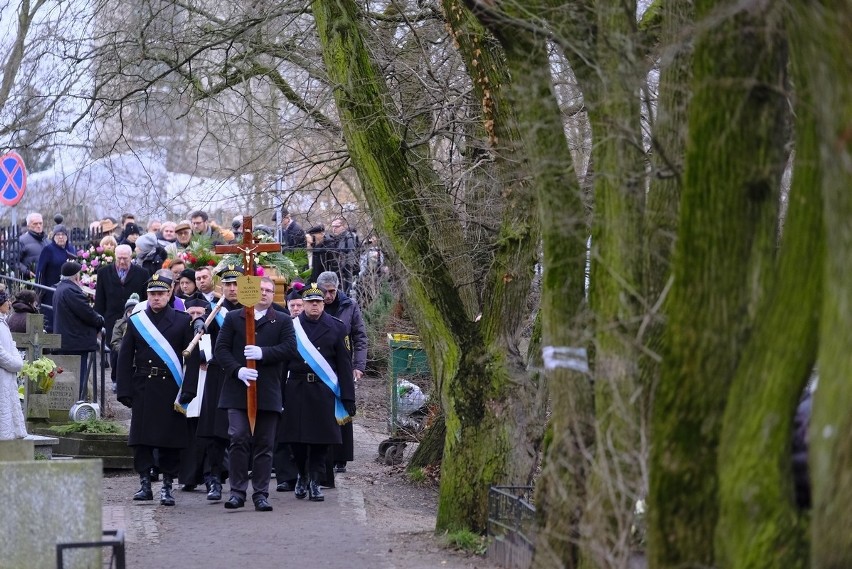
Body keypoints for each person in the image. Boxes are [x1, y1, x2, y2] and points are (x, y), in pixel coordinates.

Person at [116, 273, 201, 506]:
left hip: (170, 388)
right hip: (143, 386)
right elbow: (125, 358)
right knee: (141, 440)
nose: (156, 298)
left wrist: (189, 389)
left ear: (169, 294)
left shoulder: (183, 321)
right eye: (152, 294)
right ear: (147, 296)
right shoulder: (137, 321)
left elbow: (192, 359)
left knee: (169, 440)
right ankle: (144, 484)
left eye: (161, 294)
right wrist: (124, 389)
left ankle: (167, 487)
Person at [214, 276, 296, 511]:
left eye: (269, 290)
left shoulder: (281, 320)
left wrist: (264, 353)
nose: (265, 293)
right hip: (237, 389)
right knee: (238, 437)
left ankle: (260, 493)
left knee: (264, 443)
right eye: (260, 289)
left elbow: (290, 348)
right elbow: (221, 350)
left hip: (268, 390)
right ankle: (237, 492)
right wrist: (237, 370)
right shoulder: (234, 318)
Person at [279, 284, 356, 502]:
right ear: (302, 304)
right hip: (296, 388)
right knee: (297, 440)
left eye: (319, 302)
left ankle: (315, 481)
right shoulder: (291, 326)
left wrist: (348, 397)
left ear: (324, 304)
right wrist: (279, 393)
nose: (315, 305)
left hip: (323, 391)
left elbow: (344, 365)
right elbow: (283, 363)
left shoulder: (337, 328)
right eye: (310, 301)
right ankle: (302, 476)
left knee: (321, 441)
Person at [194, 264, 243, 501]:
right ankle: (214, 479)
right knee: (216, 432)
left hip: (243, 375)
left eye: (236, 284)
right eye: (227, 284)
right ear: (221, 287)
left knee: (242, 432)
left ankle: (241, 481)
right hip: (219, 376)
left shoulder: (251, 310)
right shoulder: (213, 312)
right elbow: (202, 335)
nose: (232, 289)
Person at [317, 270, 367, 477]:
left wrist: (359, 366)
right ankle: (324, 452)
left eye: (332, 291)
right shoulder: (313, 303)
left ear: (338, 288)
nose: (328, 296)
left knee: (343, 407)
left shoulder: (349, 305)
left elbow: (360, 336)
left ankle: (341, 456)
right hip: (321, 362)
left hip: (343, 364)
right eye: (324, 292)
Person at [94, 244, 149, 390]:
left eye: (125, 258)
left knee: (133, 348)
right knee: (116, 349)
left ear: (131, 257)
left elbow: (145, 297)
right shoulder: (104, 272)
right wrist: (98, 321)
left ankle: (132, 378)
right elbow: (100, 298)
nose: (122, 261)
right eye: (119, 258)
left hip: (135, 316)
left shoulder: (142, 273)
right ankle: (116, 380)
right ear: (114, 257)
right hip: (112, 317)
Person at [52, 262, 105, 401]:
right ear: (75, 276)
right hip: (75, 342)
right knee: (77, 380)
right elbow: (87, 313)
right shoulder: (71, 291)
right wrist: (100, 320)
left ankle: (73, 405)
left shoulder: (61, 289)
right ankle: (77, 407)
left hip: (69, 341)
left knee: (70, 379)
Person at [273, 288, 307, 492]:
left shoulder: (311, 326)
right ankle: (286, 476)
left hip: (302, 383)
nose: (295, 309)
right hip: (282, 382)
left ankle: (306, 474)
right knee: (283, 432)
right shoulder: (282, 324)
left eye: (299, 305)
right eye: (292, 305)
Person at [35, 224, 78, 331]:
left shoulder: (71, 249)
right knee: (52, 321)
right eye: (57, 234)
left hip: (69, 291)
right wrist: (39, 290)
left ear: (67, 237)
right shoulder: (48, 250)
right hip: (51, 291)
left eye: (63, 234)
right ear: (53, 237)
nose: (60, 237)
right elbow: (40, 271)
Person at [0, 291, 27, 440]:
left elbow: (12, 345)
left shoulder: (4, 322)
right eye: (7, 301)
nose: (9, 304)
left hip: (7, 374)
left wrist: (18, 361)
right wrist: (15, 363)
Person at [309, 217, 357, 293]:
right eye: (333, 226)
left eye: (337, 226)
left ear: (343, 226)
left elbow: (350, 257)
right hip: (334, 271)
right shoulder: (332, 239)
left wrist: (345, 272)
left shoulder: (348, 238)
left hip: (343, 273)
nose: (334, 229)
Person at [17, 212, 46, 280]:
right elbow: (13, 261)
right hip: (29, 282)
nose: (38, 226)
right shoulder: (21, 241)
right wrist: (26, 272)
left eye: (40, 223)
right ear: (28, 226)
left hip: (46, 281)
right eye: (35, 224)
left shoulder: (47, 241)